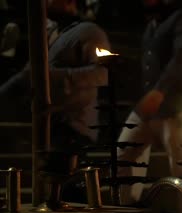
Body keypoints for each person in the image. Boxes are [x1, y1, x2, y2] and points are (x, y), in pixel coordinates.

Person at [0, 0, 110, 202]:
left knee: (70, 194)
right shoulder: (51, 32)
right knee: (53, 194)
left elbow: (101, 73)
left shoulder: (90, 31)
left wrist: (55, 76)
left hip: (74, 125)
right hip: (51, 122)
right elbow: (27, 75)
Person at [117, 0, 182, 207]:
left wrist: (159, 92)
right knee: (123, 155)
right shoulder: (152, 24)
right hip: (148, 108)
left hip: (176, 109)